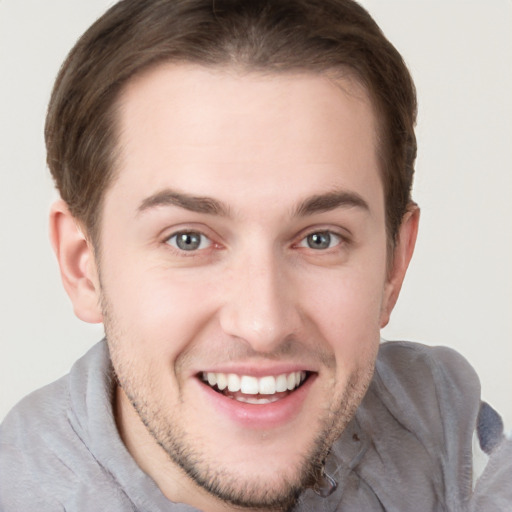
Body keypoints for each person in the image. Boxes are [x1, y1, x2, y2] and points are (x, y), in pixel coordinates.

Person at [0, 0, 509, 510]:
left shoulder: (440, 424)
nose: (264, 325)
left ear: (394, 266)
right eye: (189, 239)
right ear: (82, 266)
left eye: (320, 238)